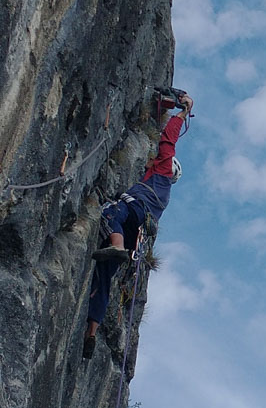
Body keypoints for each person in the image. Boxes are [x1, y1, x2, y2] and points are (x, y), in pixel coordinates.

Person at [83, 88, 193, 358]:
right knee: (104, 275)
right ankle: (90, 333)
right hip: (139, 232)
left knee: (111, 211)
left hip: (130, 213)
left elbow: (168, 141)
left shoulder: (162, 172)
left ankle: (116, 246)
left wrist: (183, 113)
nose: (152, 162)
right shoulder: (163, 195)